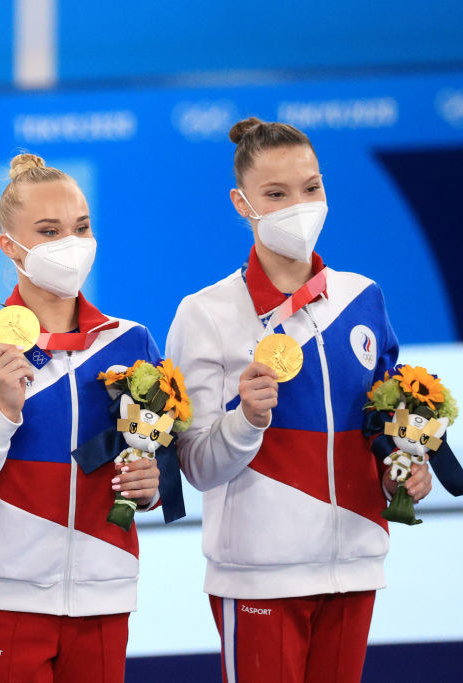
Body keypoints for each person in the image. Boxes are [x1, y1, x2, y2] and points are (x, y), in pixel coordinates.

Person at [166, 117, 433, 683]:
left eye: (311, 188)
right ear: (243, 203)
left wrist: (404, 469)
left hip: (355, 565)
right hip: (259, 574)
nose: (300, 206)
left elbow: (384, 427)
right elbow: (196, 467)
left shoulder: (362, 297)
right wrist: (248, 419)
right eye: (277, 194)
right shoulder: (206, 314)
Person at [0, 153, 165, 682]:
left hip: (104, 593)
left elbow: (155, 471)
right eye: (49, 231)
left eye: (80, 228)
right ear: (10, 246)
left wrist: (151, 488)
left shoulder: (132, 341)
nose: (71, 245)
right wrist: (5, 410)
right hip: (3, 600)